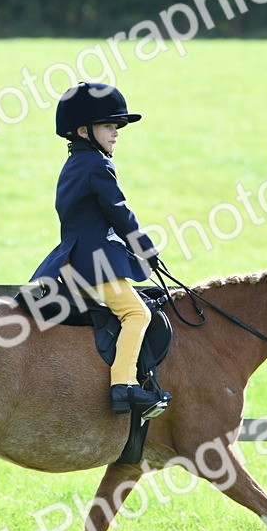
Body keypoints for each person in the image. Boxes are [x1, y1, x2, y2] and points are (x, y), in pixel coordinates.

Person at [31, 82, 170, 414]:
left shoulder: (76, 164)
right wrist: (147, 250)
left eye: (117, 126)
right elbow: (121, 214)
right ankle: (123, 385)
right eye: (109, 125)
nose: (116, 132)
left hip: (75, 261)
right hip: (95, 264)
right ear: (83, 130)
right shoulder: (97, 165)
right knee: (137, 313)